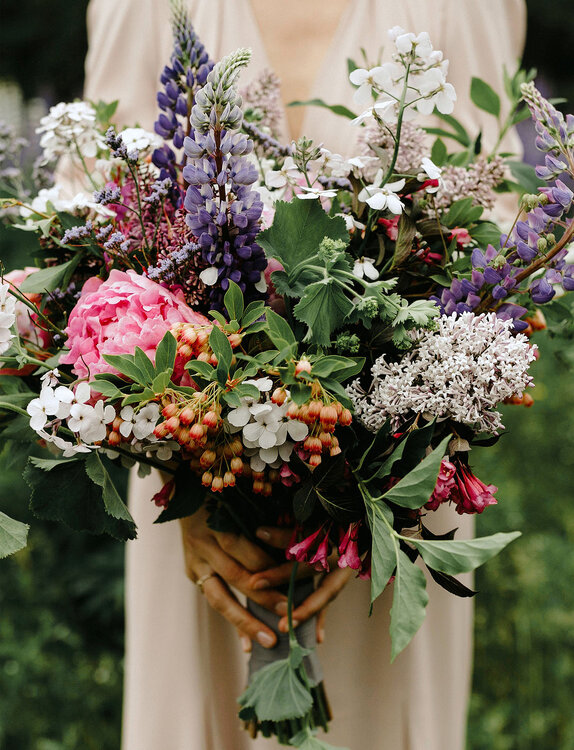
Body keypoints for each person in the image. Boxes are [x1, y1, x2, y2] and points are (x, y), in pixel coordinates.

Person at [84, 2, 527, 748]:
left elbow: (500, 245)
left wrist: (372, 491)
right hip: (192, 491)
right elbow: (96, 234)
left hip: (400, 496)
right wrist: (190, 486)